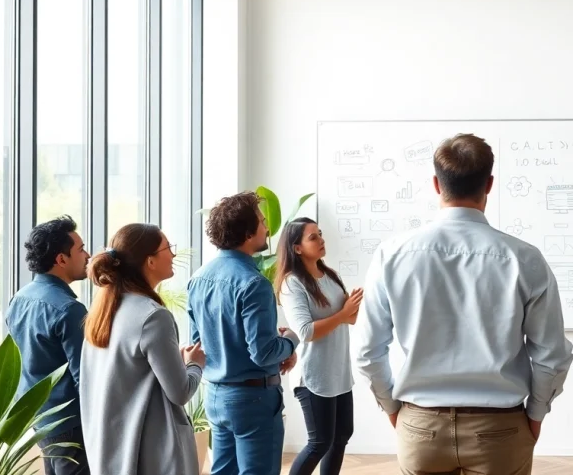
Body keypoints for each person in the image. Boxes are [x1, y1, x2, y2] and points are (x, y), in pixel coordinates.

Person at [355, 133, 573, 475]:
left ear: (435, 184)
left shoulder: (392, 255)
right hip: (500, 428)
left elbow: (368, 352)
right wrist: (536, 414)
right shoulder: (524, 259)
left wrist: (393, 409)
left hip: (419, 424)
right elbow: (551, 354)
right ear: (489, 184)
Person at [187, 191, 300, 475]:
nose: (267, 228)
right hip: (253, 400)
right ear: (248, 233)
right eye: (262, 222)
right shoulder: (254, 284)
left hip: (215, 395)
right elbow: (263, 353)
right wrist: (289, 341)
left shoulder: (198, 279)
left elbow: (197, 344)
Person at [80, 224, 206, 475]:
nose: (173, 255)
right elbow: (180, 392)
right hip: (153, 456)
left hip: (111, 452)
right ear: (150, 261)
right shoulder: (153, 316)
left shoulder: (101, 313)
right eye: (168, 248)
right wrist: (194, 364)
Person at [276, 217, 362, 475]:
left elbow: (351, 318)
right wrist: (343, 313)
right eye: (313, 237)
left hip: (339, 372)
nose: (321, 240)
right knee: (320, 441)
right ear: (297, 247)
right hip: (314, 376)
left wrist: (348, 311)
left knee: (342, 436)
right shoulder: (293, 283)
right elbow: (305, 332)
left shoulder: (330, 276)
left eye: (320, 234)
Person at [5, 215, 91, 475]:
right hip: (71, 423)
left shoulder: (19, 299)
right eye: (80, 249)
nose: (87, 255)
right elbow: (84, 378)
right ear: (61, 259)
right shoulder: (69, 310)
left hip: (39, 419)